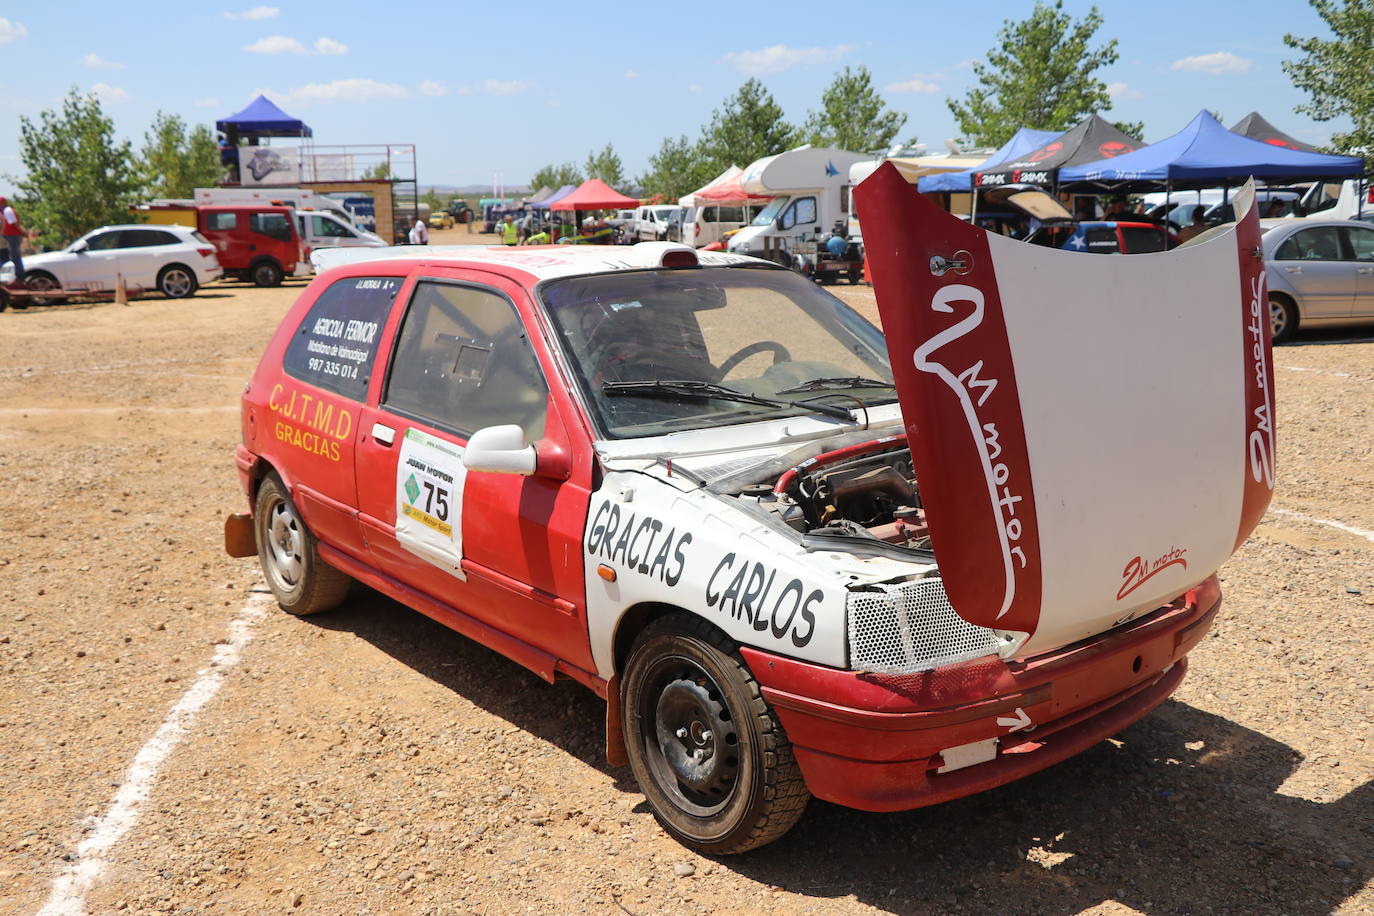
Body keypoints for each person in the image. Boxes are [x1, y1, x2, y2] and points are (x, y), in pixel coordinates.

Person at [0, 196, 24, 284]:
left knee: (15, 256)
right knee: (12, 256)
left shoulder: (7, 210)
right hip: (10, 236)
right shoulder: (4, 211)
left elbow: (14, 223)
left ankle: (20, 277)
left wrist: (22, 232)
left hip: (13, 236)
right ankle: (17, 276)